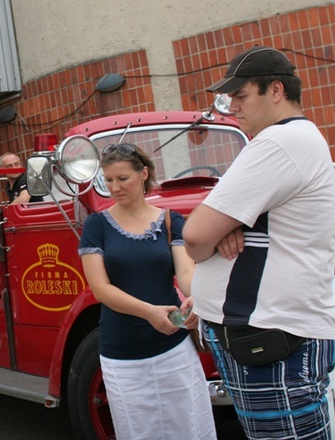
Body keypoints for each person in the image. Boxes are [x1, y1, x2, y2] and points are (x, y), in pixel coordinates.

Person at [182, 46, 335, 439]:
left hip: (273, 338)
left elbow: (196, 236)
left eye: (241, 95)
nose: (232, 107)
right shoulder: (290, 140)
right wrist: (229, 225)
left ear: (275, 90)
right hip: (267, 335)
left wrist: (218, 230)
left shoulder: (277, 143)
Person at [77, 143, 216, 440]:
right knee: (137, 432)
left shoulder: (170, 220)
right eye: (108, 180)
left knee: (188, 429)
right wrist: (149, 312)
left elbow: (186, 273)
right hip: (122, 352)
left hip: (174, 349)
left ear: (143, 175)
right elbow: (101, 289)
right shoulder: (96, 225)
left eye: (122, 179)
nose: (114, 187)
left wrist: (196, 299)